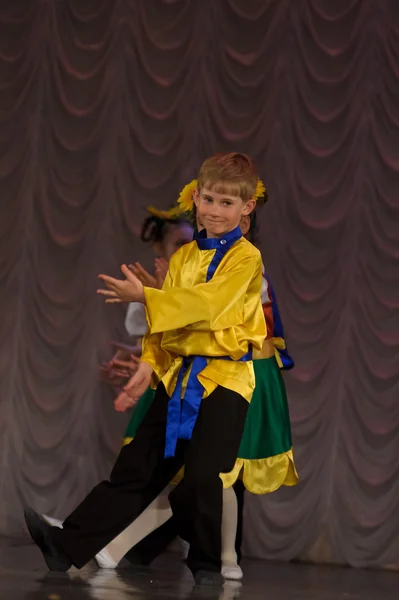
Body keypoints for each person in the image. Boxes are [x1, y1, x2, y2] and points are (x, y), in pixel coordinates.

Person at [24, 151, 267, 587]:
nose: (214, 210)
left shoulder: (246, 259)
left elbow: (209, 307)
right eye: (208, 199)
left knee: (199, 478)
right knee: (137, 468)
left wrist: (145, 297)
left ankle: (208, 563)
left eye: (227, 203)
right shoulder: (183, 259)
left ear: (247, 207)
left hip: (224, 381)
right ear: (196, 198)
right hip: (179, 376)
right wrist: (147, 367)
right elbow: (163, 330)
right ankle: (68, 546)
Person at [90, 195, 298, 580]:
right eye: (182, 243)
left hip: (239, 375)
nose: (193, 245)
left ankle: (221, 556)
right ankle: (142, 549)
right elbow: (169, 338)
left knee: (216, 472)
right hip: (187, 375)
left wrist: (155, 299)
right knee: (186, 469)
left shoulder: (239, 270)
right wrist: (138, 357)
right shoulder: (182, 276)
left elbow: (219, 327)